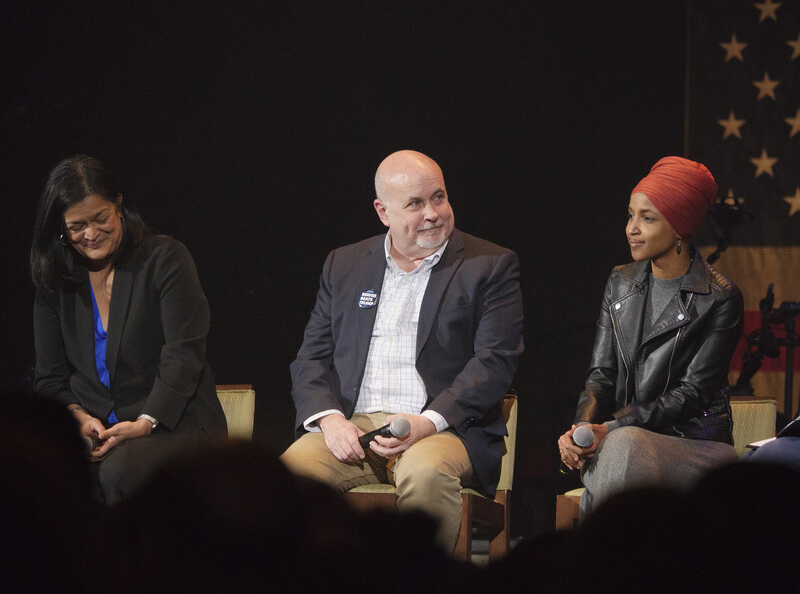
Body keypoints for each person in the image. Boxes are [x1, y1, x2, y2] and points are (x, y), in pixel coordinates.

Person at [280, 150, 524, 552]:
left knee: (425, 473)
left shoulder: (490, 265)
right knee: (287, 479)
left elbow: (495, 362)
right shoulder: (344, 264)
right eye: (415, 203)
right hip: (355, 427)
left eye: (439, 198)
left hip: (444, 428)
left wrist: (429, 422)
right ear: (383, 211)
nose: (432, 213)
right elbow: (311, 357)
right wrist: (329, 421)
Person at [31, 155, 227, 504]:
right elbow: (49, 379)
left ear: (118, 205)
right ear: (61, 228)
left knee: (119, 469)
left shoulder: (164, 258)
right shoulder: (56, 282)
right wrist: (78, 416)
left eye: (100, 219)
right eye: (76, 227)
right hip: (101, 432)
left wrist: (146, 421)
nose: (91, 234)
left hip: (173, 424)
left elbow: (184, 355)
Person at [557, 156, 743, 516]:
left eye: (648, 218)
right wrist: (583, 429)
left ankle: (595, 558)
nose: (632, 228)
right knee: (621, 449)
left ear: (681, 228)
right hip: (623, 441)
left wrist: (610, 427)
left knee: (622, 448)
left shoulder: (720, 298)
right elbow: (601, 375)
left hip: (693, 445)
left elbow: (691, 395)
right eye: (630, 215)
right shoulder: (620, 281)